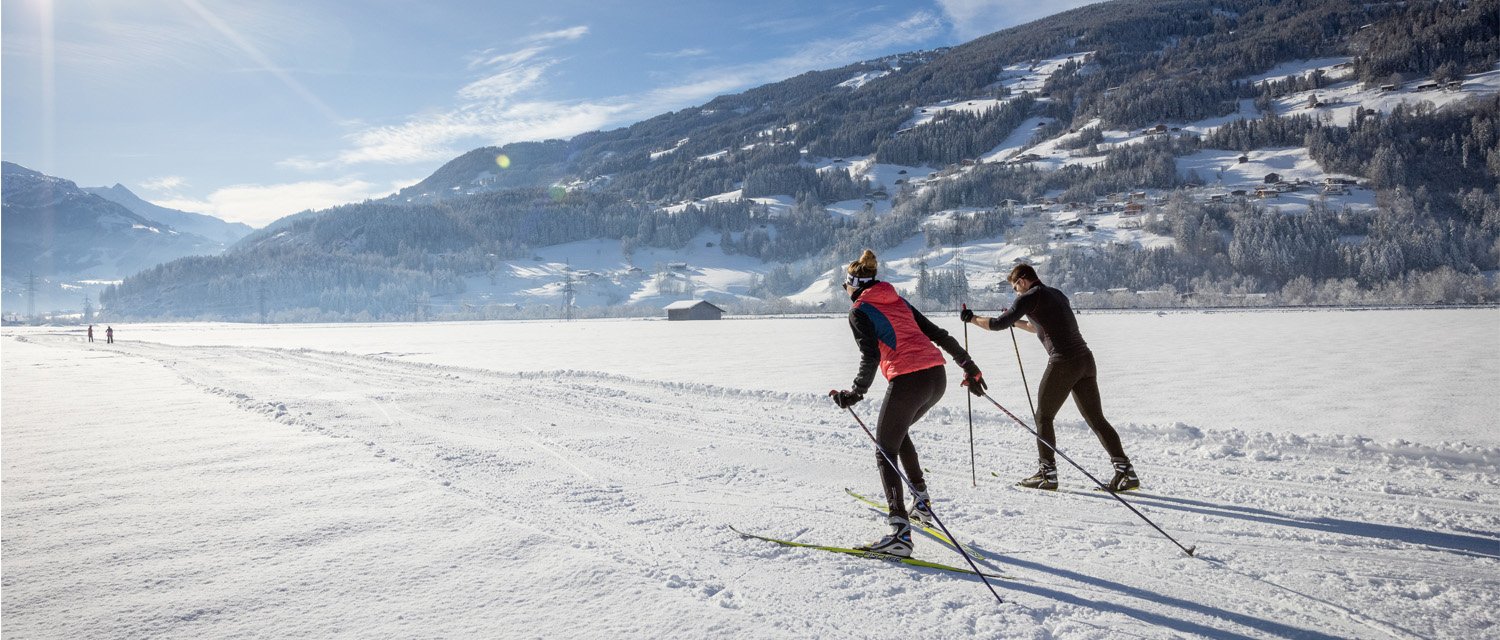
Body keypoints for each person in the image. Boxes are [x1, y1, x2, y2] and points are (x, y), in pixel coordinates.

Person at [830, 249, 987, 557]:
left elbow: (871, 356)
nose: (845, 291)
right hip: (936, 378)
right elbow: (938, 334)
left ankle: (900, 532)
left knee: (884, 449)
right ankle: (922, 503)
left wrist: (855, 393)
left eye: (844, 286)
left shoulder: (859, 310)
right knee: (897, 434)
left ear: (853, 284)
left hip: (909, 380)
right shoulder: (898, 301)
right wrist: (969, 367)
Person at [961, 263, 1139, 492]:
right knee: (1097, 419)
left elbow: (997, 324)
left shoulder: (1028, 296)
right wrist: (1016, 321)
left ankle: (1047, 474)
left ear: (1023, 281)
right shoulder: (1056, 294)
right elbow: (1040, 328)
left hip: (1064, 362)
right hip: (1085, 360)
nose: (1016, 293)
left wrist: (972, 318)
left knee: (1043, 416)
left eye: (1016, 288)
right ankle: (1125, 472)